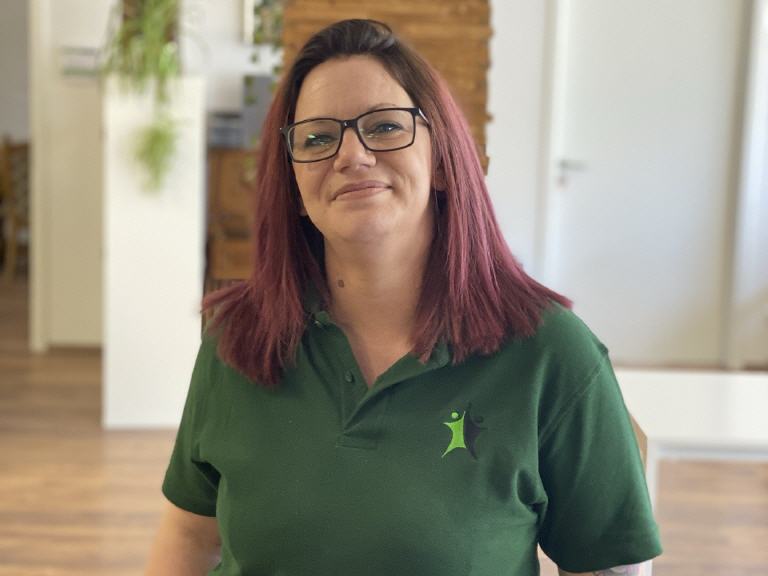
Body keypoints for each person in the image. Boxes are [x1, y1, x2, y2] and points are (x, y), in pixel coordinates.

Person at [145, 19, 662, 576]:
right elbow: (189, 537)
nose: (352, 155)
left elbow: (607, 566)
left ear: (441, 160)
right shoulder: (238, 336)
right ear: (293, 185)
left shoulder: (551, 353)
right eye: (317, 138)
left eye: (386, 126)